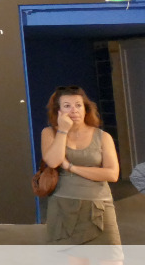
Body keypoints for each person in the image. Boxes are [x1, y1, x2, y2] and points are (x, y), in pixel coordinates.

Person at [41, 86, 122, 262]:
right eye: (67, 106)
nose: (74, 110)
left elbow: (112, 174)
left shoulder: (103, 136)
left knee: (112, 260)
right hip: (64, 208)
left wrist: (71, 167)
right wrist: (63, 130)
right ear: (58, 111)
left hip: (99, 206)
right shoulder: (49, 133)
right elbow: (53, 161)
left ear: (86, 108)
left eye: (78, 105)